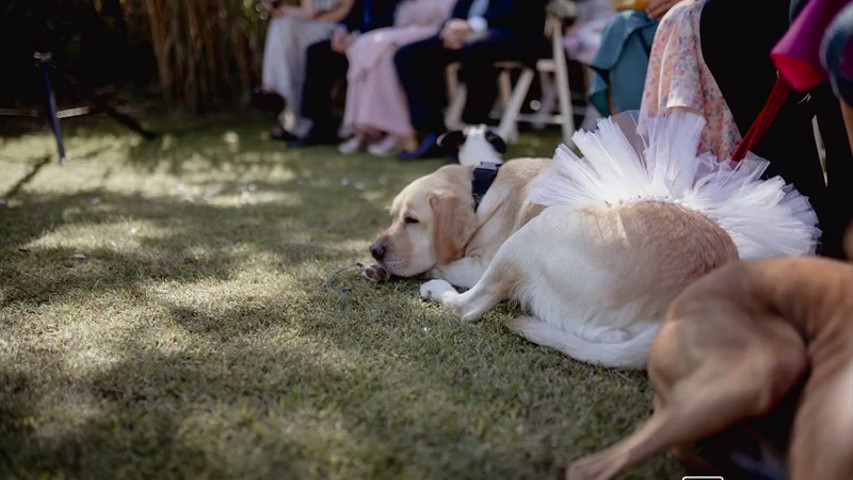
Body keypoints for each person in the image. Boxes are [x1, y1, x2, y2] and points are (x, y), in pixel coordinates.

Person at [392, 0, 548, 160]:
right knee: (408, 56)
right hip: (470, 39)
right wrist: (452, 28)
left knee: (477, 51)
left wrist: (472, 27)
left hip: (514, 34)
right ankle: (435, 133)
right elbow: (461, 8)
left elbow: (515, 9)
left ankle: (473, 132)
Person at [338, 0, 457, 156]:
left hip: (437, 30)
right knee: (369, 47)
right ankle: (368, 128)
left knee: (382, 52)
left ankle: (396, 129)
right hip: (407, 28)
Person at [292, 0, 402, 146]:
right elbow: (353, 16)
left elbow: (390, 19)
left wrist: (357, 36)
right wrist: (342, 31)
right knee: (317, 53)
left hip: (379, 43)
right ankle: (319, 126)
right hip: (354, 42)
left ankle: (368, 127)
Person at [255, 0, 356, 141]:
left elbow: (340, 10)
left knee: (285, 29)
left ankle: (273, 89)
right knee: (283, 28)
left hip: (338, 28)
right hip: (314, 24)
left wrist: (285, 10)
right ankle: (287, 111)